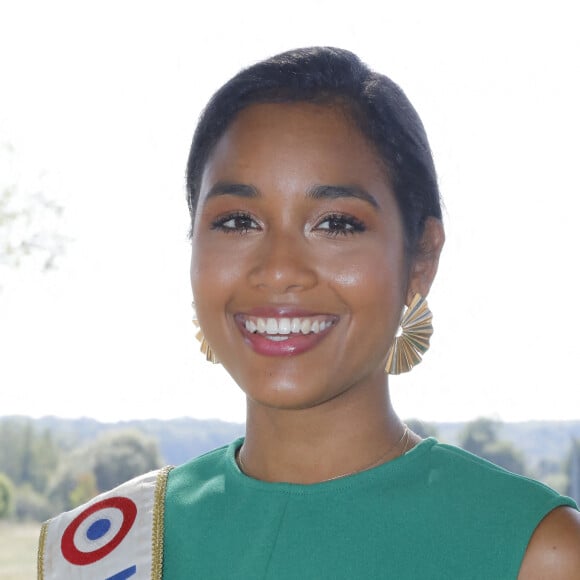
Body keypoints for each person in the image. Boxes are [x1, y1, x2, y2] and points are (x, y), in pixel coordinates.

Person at [39, 47, 580, 579]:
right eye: (236, 222)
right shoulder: (98, 550)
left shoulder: (536, 552)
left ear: (421, 257)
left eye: (336, 223)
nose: (278, 270)